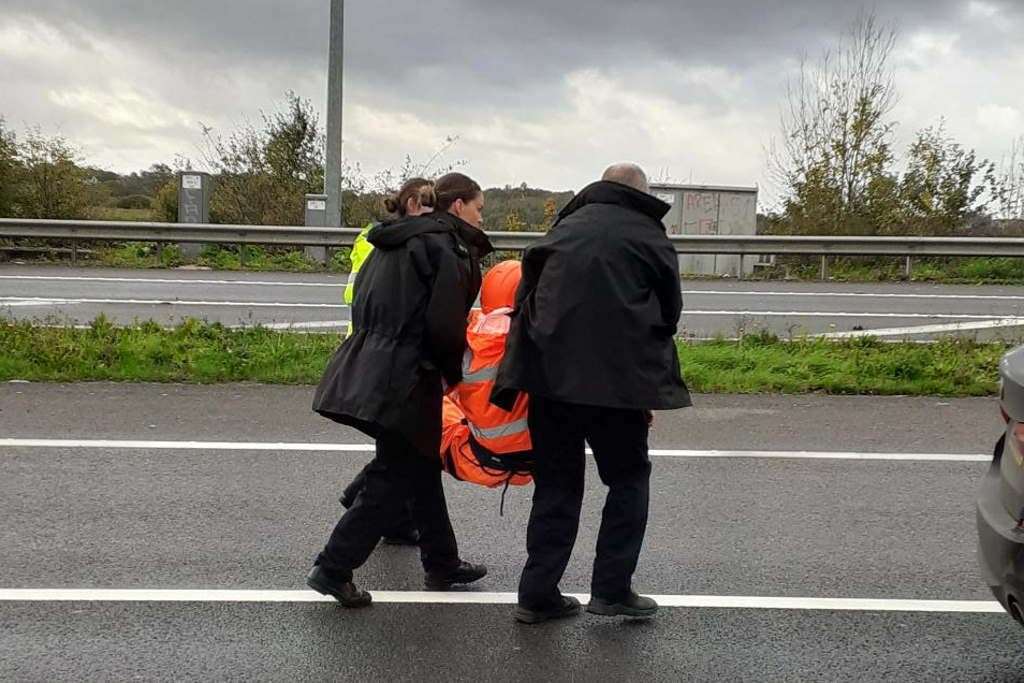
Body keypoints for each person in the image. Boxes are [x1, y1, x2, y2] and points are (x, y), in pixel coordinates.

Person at [492, 163, 692, 624]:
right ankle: (612, 590)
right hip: (617, 386)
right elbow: (669, 314)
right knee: (627, 479)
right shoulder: (649, 236)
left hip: (550, 382)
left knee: (557, 485)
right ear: (640, 194)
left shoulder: (560, 230)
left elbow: (524, 302)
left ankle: (537, 595)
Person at [308, 172, 494, 607]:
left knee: (420, 463)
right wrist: (455, 376)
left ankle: (442, 562)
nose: (482, 219)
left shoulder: (387, 241)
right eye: (479, 209)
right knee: (395, 472)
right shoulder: (445, 246)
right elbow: (445, 324)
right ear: (457, 207)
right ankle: (334, 567)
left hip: (372, 361)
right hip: (409, 373)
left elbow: (367, 303)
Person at [338, 178, 436, 546]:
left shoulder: (378, 235)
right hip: (385, 350)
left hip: (369, 344)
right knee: (402, 453)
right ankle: (337, 561)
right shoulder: (405, 241)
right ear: (413, 205)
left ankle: (397, 521)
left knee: (401, 449)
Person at [440, 260, 533, 489]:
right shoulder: (538, 335)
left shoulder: (471, 340)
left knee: (420, 412)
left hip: (477, 456)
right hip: (530, 458)